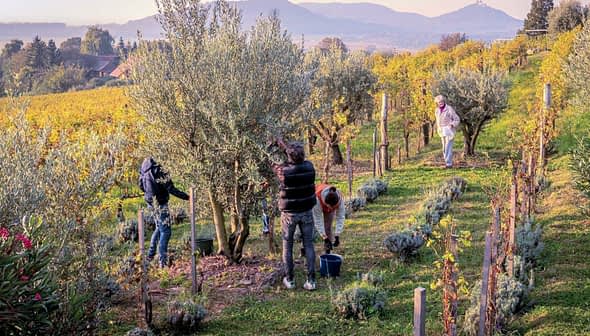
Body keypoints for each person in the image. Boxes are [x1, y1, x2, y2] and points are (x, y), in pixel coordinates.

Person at [272, 139, 317, 291]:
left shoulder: (283, 171)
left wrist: (277, 145)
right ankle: (311, 281)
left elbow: (272, 164)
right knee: (309, 245)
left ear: (289, 156)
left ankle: (289, 279)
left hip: (289, 214)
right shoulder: (310, 167)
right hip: (306, 212)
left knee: (288, 246)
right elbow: (296, 157)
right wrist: (284, 145)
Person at [139, 157, 189, 268]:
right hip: (160, 203)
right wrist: (187, 197)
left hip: (150, 202)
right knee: (166, 232)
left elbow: (141, 186)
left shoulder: (144, 167)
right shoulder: (159, 169)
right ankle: (162, 262)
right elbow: (170, 188)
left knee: (159, 228)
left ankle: (150, 256)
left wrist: (150, 193)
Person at [312, 184, 345, 254]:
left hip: (327, 202)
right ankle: (304, 249)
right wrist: (325, 238)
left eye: (333, 208)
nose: (331, 210)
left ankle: (328, 252)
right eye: (330, 207)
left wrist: (337, 235)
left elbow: (340, 217)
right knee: (309, 227)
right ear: (326, 204)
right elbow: (318, 220)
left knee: (328, 227)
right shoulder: (317, 199)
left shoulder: (340, 199)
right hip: (314, 201)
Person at [434, 95, 460, 168]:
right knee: (444, 147)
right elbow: (437, 121)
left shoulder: (449, 109)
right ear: (437, 103)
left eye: (442, 101)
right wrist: (438, 128)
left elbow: (457, 119)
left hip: (449, 131)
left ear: (444, 101)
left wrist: (452, 125)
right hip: (442, 131)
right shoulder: (437, 110)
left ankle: (448, 164)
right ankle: (447, 162)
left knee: (448, 147)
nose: (441, 103)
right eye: (439, 102)